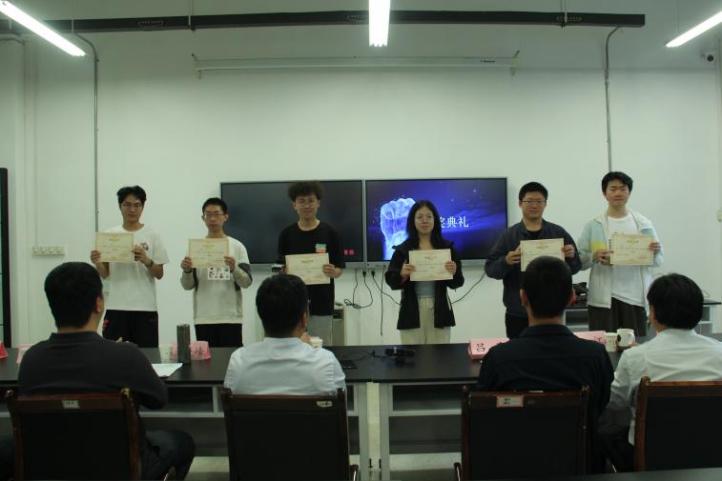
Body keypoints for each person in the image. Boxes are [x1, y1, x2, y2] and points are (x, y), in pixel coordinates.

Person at [18, 262, 195, 479]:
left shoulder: (31, 360)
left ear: (52, 304)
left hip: (50, 467)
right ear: (98, 303)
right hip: (120, 466)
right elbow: (158, 399)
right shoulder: (125, 355)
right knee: (181, 442)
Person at [602, 274, 722, 471]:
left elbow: (614, 402)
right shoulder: (720, 353)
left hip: (650, 457)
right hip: (711, 456)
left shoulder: (636, 357)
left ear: (653, 313)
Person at [485, 182, 581, 338]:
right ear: (520, 203)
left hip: (552, 312)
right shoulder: (509, 236)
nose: (534, 205)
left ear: (545, 204)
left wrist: (571, 257)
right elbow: (490, 269)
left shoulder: (558, 232)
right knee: (518, 352)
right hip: (518, 311)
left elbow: (576, 268)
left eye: (539, 201)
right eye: (529, 201)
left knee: (552, 351)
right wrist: (506, 261)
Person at [223, 274, 346, 395]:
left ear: (262, 316)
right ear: (304, 319)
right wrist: (307, 349)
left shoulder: (239, 361)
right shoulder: (325, 363)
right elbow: (341, 404)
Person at [578, 172, 663, 336]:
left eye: (623, 189)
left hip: (635, 297)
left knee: (635, 345)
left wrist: (655, 251)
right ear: (604, 193)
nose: (618, 193)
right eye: (613, 189)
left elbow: (659, 260)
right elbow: (579, 261)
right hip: (603, 299)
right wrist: (593, 257)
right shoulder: (593, 225)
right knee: (603, 345)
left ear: (629, 192)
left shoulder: (644, 224)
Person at [90, 185, 169, 347]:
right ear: (120, 206)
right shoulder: (110, 235)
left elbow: (159, 273)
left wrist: (146, 260)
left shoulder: (152, 235)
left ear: (142, 207)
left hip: (145, 307)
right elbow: (105, 274)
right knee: (114, 356)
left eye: (137, 205)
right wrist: (97, 262)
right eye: (127, 204)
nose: (132, 209)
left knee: (147, 355)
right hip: (116, 305)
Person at [385, 200, 464, 344]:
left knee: (440, 354)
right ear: (412, 221)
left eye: (429, 216)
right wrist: (401, 275)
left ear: (435, 220)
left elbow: (458, 282)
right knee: (413, 355)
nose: (424, 220)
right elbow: (391, 281)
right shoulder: (403, 249)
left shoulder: (446, 247)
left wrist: (454, 272)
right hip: (411, 310)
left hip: (439, 309)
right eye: (419, 217)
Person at [277, 181, 344, 346]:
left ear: (318, 203)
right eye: (302, 201)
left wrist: (333, 271)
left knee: (321, 347)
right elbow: (279, 267)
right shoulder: (286, 234)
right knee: (292, 348)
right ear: (294, 205)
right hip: (293, 302)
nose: (307, 205)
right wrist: (283, 272)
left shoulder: (330, 233)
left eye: (311, 200)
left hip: (322, 301)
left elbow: (339, 268)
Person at [180, 197, 252, 347]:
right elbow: (187, 286)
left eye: (217, 214)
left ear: (226, 216)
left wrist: (234, 268)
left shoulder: (237, 246)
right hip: (204, 316)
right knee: (206, 360)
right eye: (208, 214)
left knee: (230, 358)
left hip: (230, 316)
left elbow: (246, 282)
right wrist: (186, 271)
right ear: (203, 218)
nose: (212, 219)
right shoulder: (196, 248)